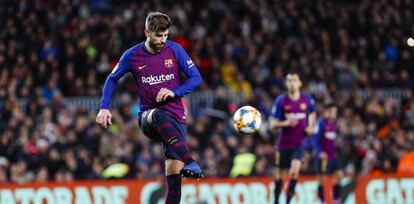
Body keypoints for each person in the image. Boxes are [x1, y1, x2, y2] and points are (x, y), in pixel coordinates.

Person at [96, 12, 204, 204]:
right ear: (147, 32)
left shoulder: (175, 50)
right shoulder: (132, 55)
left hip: (176, 117)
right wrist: (104, 107)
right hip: (148, 117)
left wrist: (175, 92)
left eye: (165, 35)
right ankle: (190, 161)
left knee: (174, 178)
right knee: (158, 114)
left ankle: (185, 163)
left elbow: (196, 78)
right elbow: (112, 79)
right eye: (158, 36)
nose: (163, 40)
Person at [269, 73, 317, 204]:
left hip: (299, 143)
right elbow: (272, 123)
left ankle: (288, 201)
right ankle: (276, 200)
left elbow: (312, 112)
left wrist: (311, 127)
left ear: (300, 83)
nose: (292, 83)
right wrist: (286, 123)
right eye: (289, 80)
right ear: (286, 84)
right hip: (283, 144)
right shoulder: (281, 101)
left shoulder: (307, 99)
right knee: (280, 177)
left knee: (295, 171)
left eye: (294, 80)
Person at [312, 103, 343, 204]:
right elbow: (315, 140)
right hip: (323, 156)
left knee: (339, 175)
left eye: (335, 112)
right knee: (322, 180)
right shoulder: (320, 123)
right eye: (333, 112)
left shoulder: (333, 123)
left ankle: (336, 199)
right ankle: (322, 201)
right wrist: (320, 152)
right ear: (328, 111)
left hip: (332, 155)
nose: (335, 114)